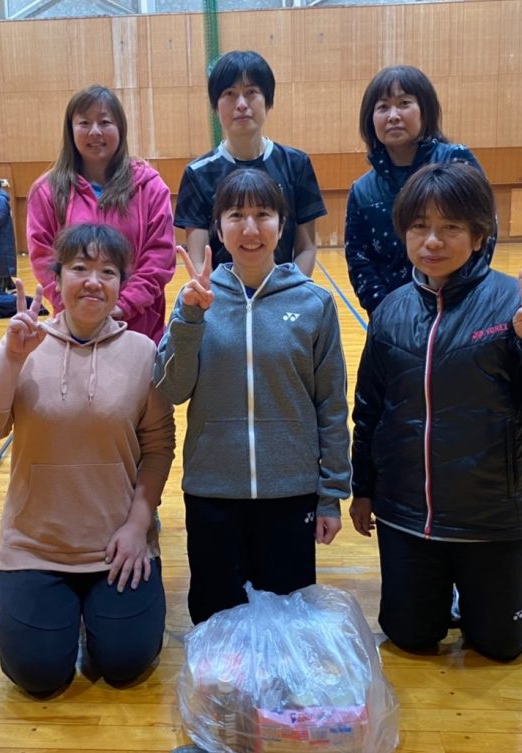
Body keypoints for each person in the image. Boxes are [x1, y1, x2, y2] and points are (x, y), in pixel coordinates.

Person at [350, 162, 522, 662]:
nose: (432, 241)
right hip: (407, 517)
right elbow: (369, 410)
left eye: (451, 227)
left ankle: (514, 581)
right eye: (420, 226)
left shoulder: (515, 306)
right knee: (409, 636)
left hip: (492, 518)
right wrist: (364, 490)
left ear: (480, 235)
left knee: (502, 644)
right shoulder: (390, 312)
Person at [0, 223, 175, 696]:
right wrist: (11, 360)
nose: (93, 281)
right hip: (34, 547)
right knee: (36, 675)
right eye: (80, 268)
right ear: (56, 278)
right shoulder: (23, 345)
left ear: (121, 285)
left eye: (108, 272)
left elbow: (159, 448)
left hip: (117, 546)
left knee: (126, 664)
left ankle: (93, 619)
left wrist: (138, 525)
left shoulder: (144, 353)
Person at [155, 168, 350, 625]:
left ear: (282, 226)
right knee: (215, 621)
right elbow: (171, 389)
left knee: (286, 625)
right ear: (218, 228)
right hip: (212, 493)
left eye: (263, 214)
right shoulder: (195, 299)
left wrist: (330, 495)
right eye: (236, 215)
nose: (250, 228)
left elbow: (332, 406)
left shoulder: (313, 304)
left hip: (291, 492)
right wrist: (189, 319)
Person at [27, 84, 175, 345]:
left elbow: (159, 258)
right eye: (84, 123)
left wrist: (122, 306)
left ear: (120, 128)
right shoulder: (47, 191)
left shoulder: (150, 186)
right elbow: (44, 258)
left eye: (105, 122)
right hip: (75, 332)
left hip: (139, 331)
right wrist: (80, 310)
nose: (95, 131)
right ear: (70, 130)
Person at [345, 65, 496, 315]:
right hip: (392, 316)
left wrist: (455, 303)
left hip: (460, 310)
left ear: (425, 109)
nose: (393, 115)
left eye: (404, 103)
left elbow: (484, 228)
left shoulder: (456, 160)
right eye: (383, 107)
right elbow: (359, 260)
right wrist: (388, 313)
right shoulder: (362, 190)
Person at [174, 50, 326, 276]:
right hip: (222, 294)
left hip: (283, 292)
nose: (241, 104)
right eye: (230, 93)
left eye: (251, 92)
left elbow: (306, 248)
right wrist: (218, 293)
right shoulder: (197, 174)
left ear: (268, 101)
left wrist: (289, 291)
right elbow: (199, 259)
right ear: (216, 106)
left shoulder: (297, 165)